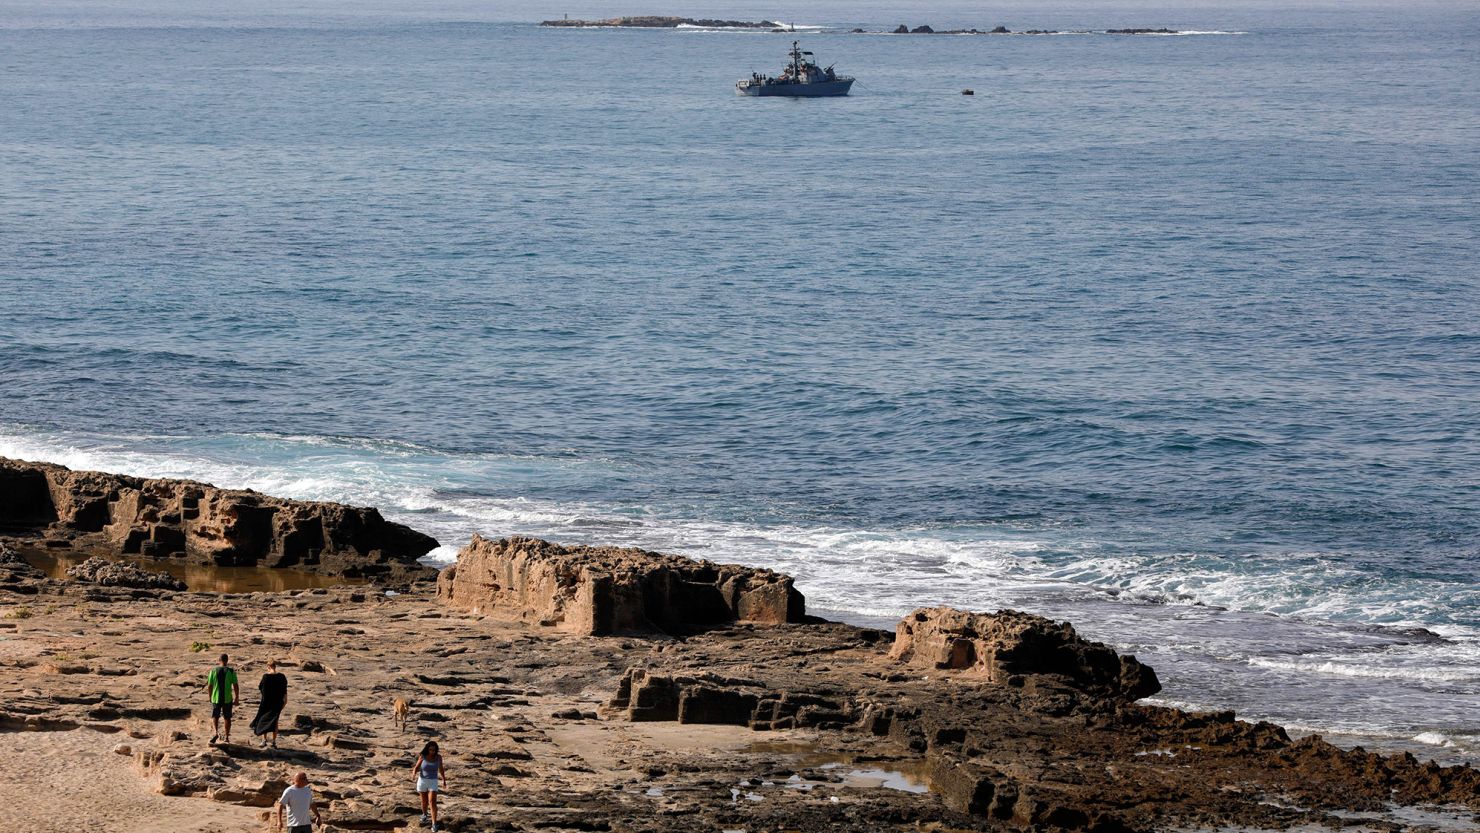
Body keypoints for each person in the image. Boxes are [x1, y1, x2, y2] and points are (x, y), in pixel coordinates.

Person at [412, 740, 449, 831]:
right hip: (422, 781)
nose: (432, 751)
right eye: (430, 749)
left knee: (432, 802)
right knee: (424, 802)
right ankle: (424, 814)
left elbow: (441, 769)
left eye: (434, 750)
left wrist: (444, 779)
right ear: (427, 749)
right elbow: (416, 767)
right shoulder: (423, 756)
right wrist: (413, 774)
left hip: (433, 781)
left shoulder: (438, 757)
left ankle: (434, 824)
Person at [251, 659, 288, 748]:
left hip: (267, 703)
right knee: (275, 721)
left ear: (268, 667)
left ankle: (264, 740)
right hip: (278, 703)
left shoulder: (266, 677)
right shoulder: (282, 677)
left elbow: (261, 688)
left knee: (264, 720)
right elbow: (284, 690)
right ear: (275, 666)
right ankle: (274, 742)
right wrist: (284, 702)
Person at [206, 653, 239, 744]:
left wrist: (210, 696)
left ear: (219, 660)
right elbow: (235, 685)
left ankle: (216, 732)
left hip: (216, 697)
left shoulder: (213, 671)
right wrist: (237, 697)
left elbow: (209, 685)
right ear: (227, 661)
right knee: (227, 717)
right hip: (227, 698)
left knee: (215, 716)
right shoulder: (231, 671)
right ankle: (227, 736)